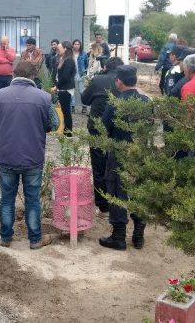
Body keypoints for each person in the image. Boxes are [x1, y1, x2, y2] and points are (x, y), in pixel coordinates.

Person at [0, 61, 58, 249]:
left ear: (14, 74)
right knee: (32, 199)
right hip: (33, 156)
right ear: (33, 76)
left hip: (6, 155)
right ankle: (35, 239)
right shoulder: (44, 98)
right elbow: (55, 123)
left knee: (6, 198)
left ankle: (5, 237)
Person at [99, 65, 150, 251]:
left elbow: (103, 128)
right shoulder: (146, 101)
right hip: (141, 153)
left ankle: (119, 237)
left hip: (119, 152)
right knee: (138, 191)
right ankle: (138, 234)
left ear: (119, 81)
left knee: (116, 193)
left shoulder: (115, 103)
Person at [81, 57, 124, 213]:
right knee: (116, 164)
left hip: (97, 128)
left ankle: (102, 203)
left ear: (105, 67)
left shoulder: (98, 80)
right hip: (117, 129)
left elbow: (84, 99)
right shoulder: (123, 82)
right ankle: (117, 199)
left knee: (98, 165)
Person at [51, 40, 76, 137]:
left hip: (66, 89)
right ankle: (66, 132)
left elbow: (65, 76)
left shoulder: (69, 60)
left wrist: (57, 86)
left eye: (60, 48)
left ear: (65, 49)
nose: (57, 49)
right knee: (65, 112)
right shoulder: (64, 58)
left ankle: (68, 133)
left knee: (66, 112)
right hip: (63, 88)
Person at [73, 39, 88, 113]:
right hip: (72, 74)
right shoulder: (70, 53)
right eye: (75, 44)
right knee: (72, 91)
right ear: (73, 45)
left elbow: (86, 64)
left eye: (78, 44)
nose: (76, 45)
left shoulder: (83, 54)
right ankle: (72, 107)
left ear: (80, 45)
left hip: (81, 74)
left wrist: (83, 71)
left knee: (82, 91)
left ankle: (84, 107)